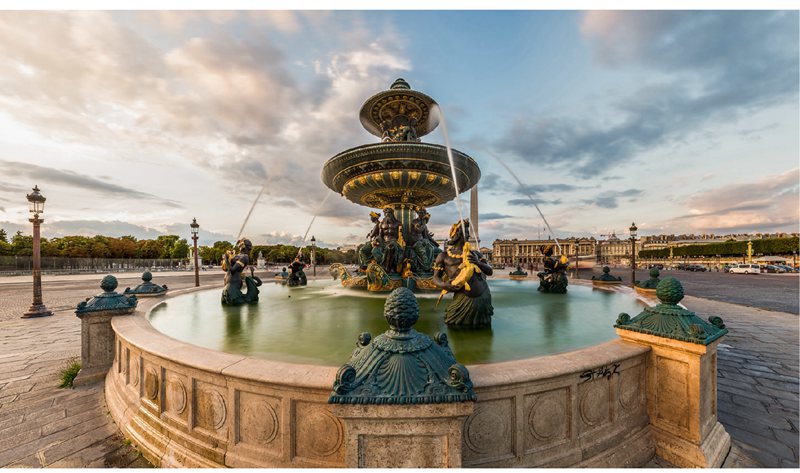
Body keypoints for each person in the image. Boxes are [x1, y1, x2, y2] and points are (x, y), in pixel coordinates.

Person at [432, 219, 494, 327]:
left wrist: (478, 263)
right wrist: (444, 285)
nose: (467, 235)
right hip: (462, 298)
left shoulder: (475, 254)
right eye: (464, 232)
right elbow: (435, 278)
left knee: (482, 327)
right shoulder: (444, 256)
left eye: (467, 232)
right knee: (455, 325)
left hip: (483, 296)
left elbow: (489, 271)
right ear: (456, 235)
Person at [221, 238, 261, 304]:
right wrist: (227, 258)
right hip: (227, 285)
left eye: (242, 244)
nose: (240, 245)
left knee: (235, 311)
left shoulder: (244, 257)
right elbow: (225, 268)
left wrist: (226, 259)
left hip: (234, 284)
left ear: (245, 247)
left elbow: (232, 270)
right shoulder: (237, 255)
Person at [379, 207, 404, 274]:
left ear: (392, 214)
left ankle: (387, 269)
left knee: (390, 247)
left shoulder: (398, 223)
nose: (388, 216)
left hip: (394, 241)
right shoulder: (382, 224)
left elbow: (401, 235)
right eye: (386, 214)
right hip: (384, 242)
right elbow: (380, 236)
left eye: (389, 214)